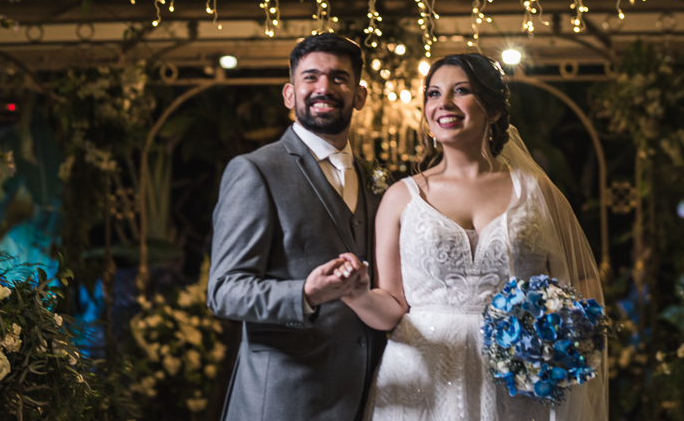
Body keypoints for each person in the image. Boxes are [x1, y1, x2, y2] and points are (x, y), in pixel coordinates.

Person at [338, 53, 608, 421]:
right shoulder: (401, 198)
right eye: (434, 94)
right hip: (425, 376)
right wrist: (357, 296)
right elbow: (391, 307)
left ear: (493, 110)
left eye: (461, 91)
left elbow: (583, 277)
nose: (444, 103)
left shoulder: (535, 191)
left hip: (518, 380)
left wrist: (566, 337)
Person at [207, 33, 385, 421]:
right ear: (290, 95)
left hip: (367, 398)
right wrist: (305, 293)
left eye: (339, 78)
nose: (324, 87)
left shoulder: (377, 180)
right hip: (285, 399)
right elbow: (224, 291)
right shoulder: (256, 171)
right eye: (311, 77)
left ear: (360, 95)